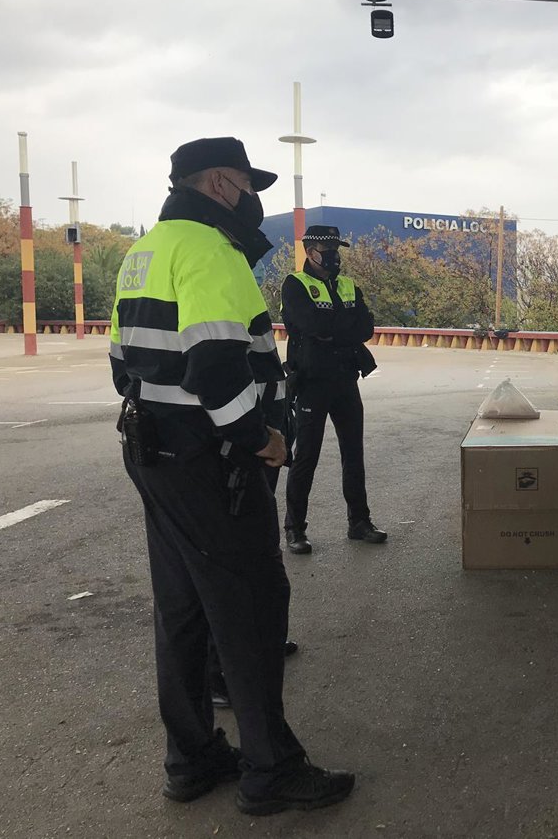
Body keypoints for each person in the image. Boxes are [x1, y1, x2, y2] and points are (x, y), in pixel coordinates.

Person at [110, 137, 354, 815]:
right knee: (250, 605)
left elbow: (122, 363)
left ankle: (191, 758)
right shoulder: (211, 251)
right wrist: (260, 438)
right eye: (249, 187)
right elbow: (217, 369)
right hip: (211, 458)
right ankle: (271, 768)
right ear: (220, 184)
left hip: (153, 448)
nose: (254, 201)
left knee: (184, 609)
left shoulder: (145, 251)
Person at [281, 225, 385, 552]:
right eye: (328, 251)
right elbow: (312, 325)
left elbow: (365, 328)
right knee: (306, 456)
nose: (334, 257)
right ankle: (295, 529)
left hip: (345, 380)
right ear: (311, 252)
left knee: (353, 454)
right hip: (312, 382)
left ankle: (360, 522)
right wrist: (341, 326)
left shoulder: (348, 285)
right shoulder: (296, 285)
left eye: (336, 250)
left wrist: (331, 332)